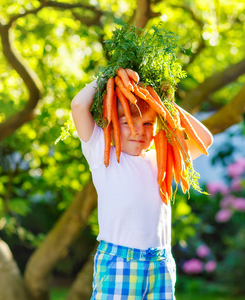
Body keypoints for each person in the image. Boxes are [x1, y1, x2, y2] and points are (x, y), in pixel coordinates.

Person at [71, 79, 213, 299]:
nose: (139, 131)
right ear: (112, 124)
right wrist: (109, 77)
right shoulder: (102, 153)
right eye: (128, 121)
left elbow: (204, 139)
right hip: (120, 262)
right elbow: (79, 106)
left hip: (160, 263)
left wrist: (164, 103)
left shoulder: (161, 160)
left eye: (148, 124)